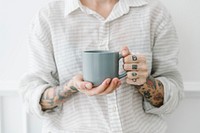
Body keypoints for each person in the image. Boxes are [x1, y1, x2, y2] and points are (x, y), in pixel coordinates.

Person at [18, 0, 184, 132]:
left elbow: (173, 94)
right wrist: (70, 87)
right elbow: (31, 96)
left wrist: (143, 81)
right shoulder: (48, 17)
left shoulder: (154, 12)